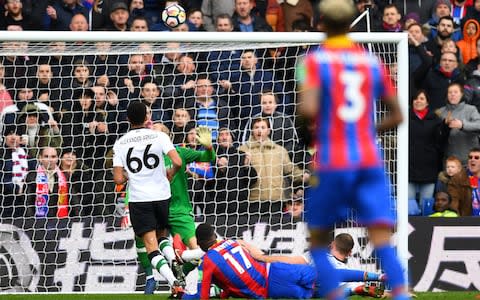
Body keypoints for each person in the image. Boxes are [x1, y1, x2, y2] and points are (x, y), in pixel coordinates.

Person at [297, 0, 407, 299]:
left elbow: (307, 110)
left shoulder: (314, 61)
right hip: (370, 158)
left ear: (321, 25)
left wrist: (308, 135)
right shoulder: (371, 61)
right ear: (350, 25)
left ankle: (334, 294)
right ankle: (401, 293)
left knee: (319, 239)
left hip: (334, 158)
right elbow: (398, 115)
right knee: (382, 238)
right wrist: (366, 132)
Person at [124, 123, 216, 294]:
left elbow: (208, 157)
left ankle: (182, 272)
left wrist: (209, 147)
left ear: (167, 138)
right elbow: (133, 184)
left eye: (156, 134)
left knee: (197, 251)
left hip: (179, 211)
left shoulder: (179, 153)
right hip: (157, 209)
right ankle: (150, 277)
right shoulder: (145, 159)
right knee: (143, 238)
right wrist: (128, 208)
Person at [112, 101, 184, 297]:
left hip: (139, 199)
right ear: (147, 118)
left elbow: (118, 178)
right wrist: (170, 172)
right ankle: (174, 261)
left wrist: (129, 175)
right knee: (162, 237)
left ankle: (174, 282)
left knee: (150, 245)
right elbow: (178, 161)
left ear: (127, 119)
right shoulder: (159, 135)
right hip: (162, 196)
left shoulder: (120, 143)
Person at [184, 223, 316, 299]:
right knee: (317, 281)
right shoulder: (232, 243)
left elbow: (203, 296)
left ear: (200, 242)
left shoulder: (207, 260)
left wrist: (183, 296)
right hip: (272, 272)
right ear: (214, 236)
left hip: (268, 288)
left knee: (308, 292)